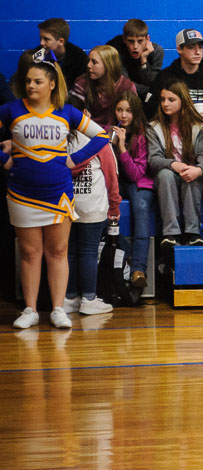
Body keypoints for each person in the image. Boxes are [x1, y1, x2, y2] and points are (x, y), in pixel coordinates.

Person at [1, 50, 110, 329]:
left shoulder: (67, 112)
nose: (30, 86)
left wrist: (74, 159)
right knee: (29, 252)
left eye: (37, 81)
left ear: (51, 84)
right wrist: (5, 159)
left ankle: (59, 308)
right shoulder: (11, 109)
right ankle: (30, 309)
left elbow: (101, 135)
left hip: (58, 193)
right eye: (28, 81)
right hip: (21, 193)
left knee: (58, 251)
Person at [148, 80, 203, 248]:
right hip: (168, 177)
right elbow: (153, 159)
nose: (165, 104)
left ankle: (192, 232)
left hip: (195, 177)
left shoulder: (200, 127)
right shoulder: (154, 127)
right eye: (163, 99)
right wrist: (172, 164)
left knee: (190, 177)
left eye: (171, 99)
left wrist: (197, 170)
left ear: (182, 101)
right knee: (165, 174)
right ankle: (170, 233)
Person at [64, 130, 121, 316]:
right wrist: (114, 206)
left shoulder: (57, 139)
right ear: (86, 115)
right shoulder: (98, 141)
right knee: (89, 251)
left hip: (65, 203)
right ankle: (89, 299)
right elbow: (111, 176)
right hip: (92, 203)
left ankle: (69, 298)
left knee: (69, 252)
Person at [112, 90, 153, 288]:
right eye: (119, 110)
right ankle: (127, 255)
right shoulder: (109, 132)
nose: (123, 115)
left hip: (139, 181)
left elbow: (136, 174)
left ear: (135, 113)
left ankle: (138, 270)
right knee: (100, 208)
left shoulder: (142, 135)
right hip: (117, 182)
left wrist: (122, 149)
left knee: (142, 209)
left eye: (128, 111)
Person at [69, 45, 137, 129]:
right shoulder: (82, 83)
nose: (88, 65)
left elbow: (134, 119)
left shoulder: (126, 87)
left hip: (119, 135)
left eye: (94, 62)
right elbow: (71, 114)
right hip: (87, 133)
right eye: (88, 61)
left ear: (108, 65)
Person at [146, 29, 203, 117]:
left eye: (200, 47)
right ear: (179, 49)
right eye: (191, 47)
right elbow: (150, 108)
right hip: (174, 126)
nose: (197, 52)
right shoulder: (165, 77)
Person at [106, 19, 164, 100]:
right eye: (131, 41)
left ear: (147, 39)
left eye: (140, 41)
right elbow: (124, 84)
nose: (135, 46)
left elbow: (152, 81)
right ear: (124, 39)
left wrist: (144, 60)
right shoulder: (116, 48)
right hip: (122, 95)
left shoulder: (157, 51)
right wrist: (149, 90)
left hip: (145, 95)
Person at [34, 18, 88, 85]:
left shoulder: (79, 58)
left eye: (46, 39)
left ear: (61, 41)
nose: (41, 43)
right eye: (40, 38)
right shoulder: (36, 54)